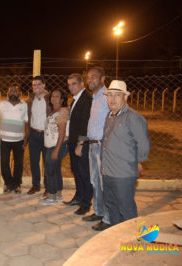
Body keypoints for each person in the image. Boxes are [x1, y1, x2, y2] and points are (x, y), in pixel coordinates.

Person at [102, 80, 150, 225]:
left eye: (117, 95)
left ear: (125, 98)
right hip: (108, 172)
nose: (112, 99)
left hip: (123, 174)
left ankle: (132, 241)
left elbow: (144, 144)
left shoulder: (133, 117)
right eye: (110, 95)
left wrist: (138, 161)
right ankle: (117, 237)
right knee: (112, 207)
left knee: (126, 209)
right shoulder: (110, 116)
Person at [81, 67, 111, 231]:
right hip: (92, 145)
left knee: (104, 182)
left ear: (102, 78)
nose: (90, 80)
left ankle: (108, 217)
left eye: (93, 77)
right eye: (88, 77)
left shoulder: (107, 97)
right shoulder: (95, 97)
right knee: (95, 181)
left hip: (102, 146)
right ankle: (99, 211)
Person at [63, 73, 93, 216]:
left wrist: (81, 143)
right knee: (76, 171)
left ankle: (86, 203)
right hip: (73, 141)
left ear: (82, 84)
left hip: (81, 143)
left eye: (74, 83)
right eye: (69, 84)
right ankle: (78, 197)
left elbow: (86, 123)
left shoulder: (87, 98)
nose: (71, 87)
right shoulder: (75, 99)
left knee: (84, 173)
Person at [39, 88, 69, 205]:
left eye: (57, 96)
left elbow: (62, 132)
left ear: (62, 100)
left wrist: (56, 149)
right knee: (55, 170)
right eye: (52, 96)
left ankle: (51, 196)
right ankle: (58, 194)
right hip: (51, 145)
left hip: (57, 145)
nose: (54, 98)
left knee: (50, 171)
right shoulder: (53, 111)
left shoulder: (62, 111)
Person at [0, 84, 28, 193]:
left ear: (19, 93)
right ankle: (8, 183)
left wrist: (26, 138)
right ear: (7, 93)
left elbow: (26, 123)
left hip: (19, 139)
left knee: (18, 163)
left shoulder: (24, 105)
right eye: (10, 91)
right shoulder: (2, 104)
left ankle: (17, 185)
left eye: (15, 91)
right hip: (4, 139)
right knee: (4, 163)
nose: (12, 93)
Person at [26, 76, 51, 195]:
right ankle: (35, 185)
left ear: (44, 85)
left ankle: (48, 186)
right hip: (34, 134)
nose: (36, 87)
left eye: (39, 84)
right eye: (34, 85)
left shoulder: (50, 98)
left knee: (47, 162)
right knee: (34, 161)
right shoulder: (31, 99)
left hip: (46, 134)